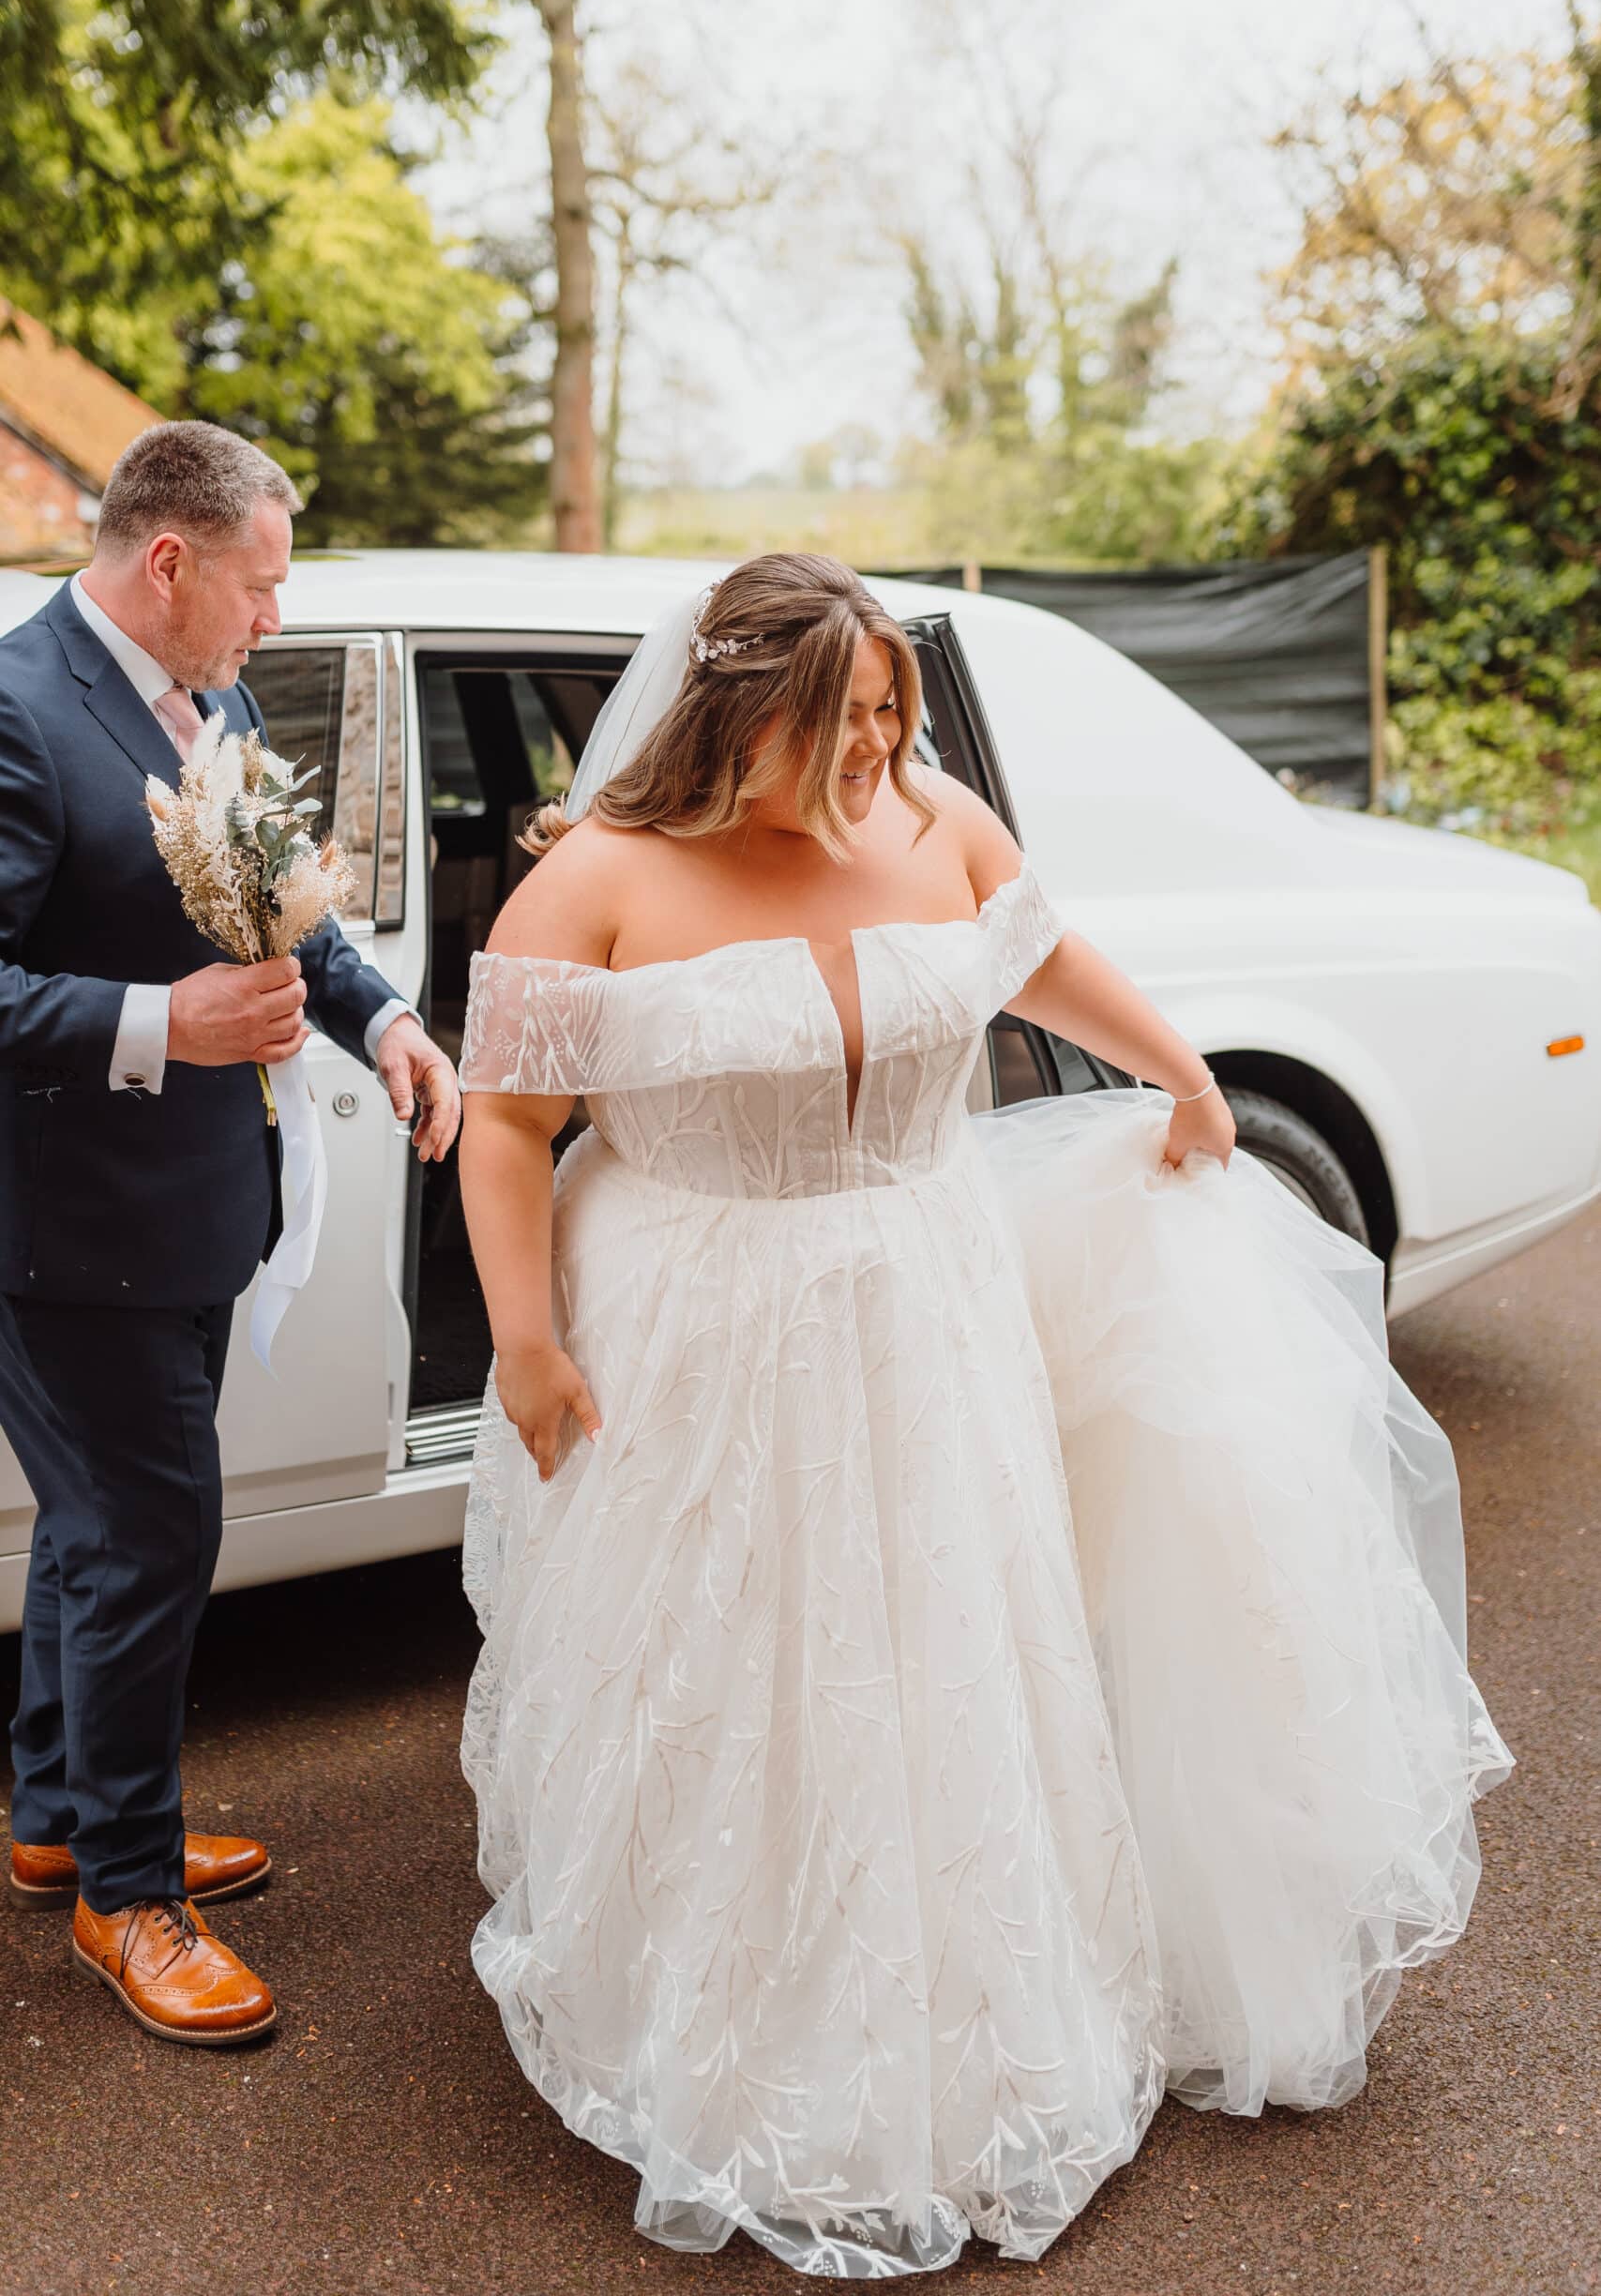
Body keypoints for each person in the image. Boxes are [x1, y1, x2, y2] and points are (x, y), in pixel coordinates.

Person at [456, 553, 1509, 2274]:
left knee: (944, 1634)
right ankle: (734, 2002)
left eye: (893, 709)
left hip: (926, 1296)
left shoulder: (939, 824)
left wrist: (1181, 1070)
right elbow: (506, 1127)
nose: (880, 745)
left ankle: (972, 1987)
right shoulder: (600, 881)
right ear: (743, 712)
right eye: (845, 717)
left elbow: (1043, 960)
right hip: (698, 1320)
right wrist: (524, 1340)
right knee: (737, 1648)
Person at [0, 420, 461, 2046]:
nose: (276, 617)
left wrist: (384, 1019)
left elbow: (282, 915)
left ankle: (59, 1813)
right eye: (260, 586)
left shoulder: (222, 700)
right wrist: (160, 1024)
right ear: (168, 561)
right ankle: (128, 1895)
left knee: (96, 1526)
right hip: (60, 1227)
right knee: (152, 1534)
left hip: (200, 1206)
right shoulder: (15, 705)